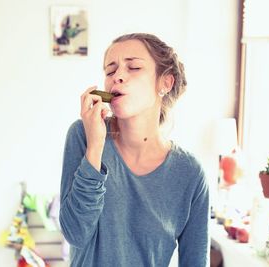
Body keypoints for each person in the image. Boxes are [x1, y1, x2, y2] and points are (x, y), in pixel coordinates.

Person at [59, 33, 209, 266]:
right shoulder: (83, 135)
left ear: (165, 83)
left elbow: (195, 262)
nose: (117, 76)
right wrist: (96, 146)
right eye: (110, 71)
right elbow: (75, 233)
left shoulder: (190, 173)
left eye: (134, 67)